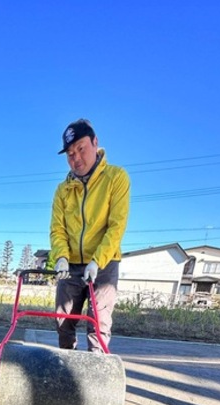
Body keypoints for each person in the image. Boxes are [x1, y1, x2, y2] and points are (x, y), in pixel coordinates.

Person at [50, 119, 130, 352]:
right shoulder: (63, 190)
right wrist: (61, 257)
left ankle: (96, 377)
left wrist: (97, 260)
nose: (76, 158)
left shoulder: (116, 178)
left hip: (104, 263)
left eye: (81, 149)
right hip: (70, 265)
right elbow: (58, 229)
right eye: (70, 154)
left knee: (98, 325)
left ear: (95, 143)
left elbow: (116, 226)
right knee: (63, 321)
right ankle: (67, 368)